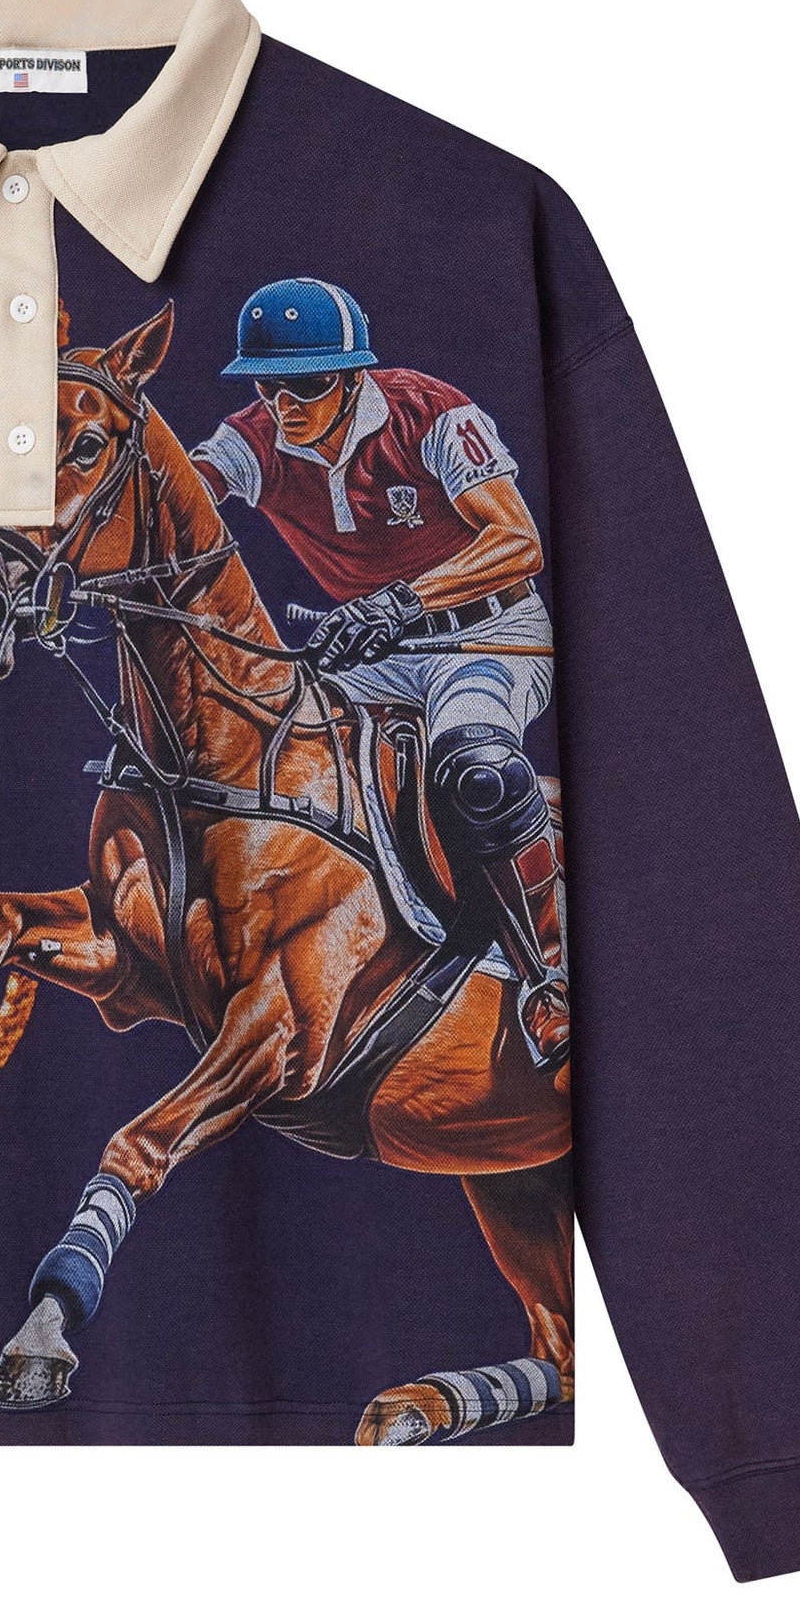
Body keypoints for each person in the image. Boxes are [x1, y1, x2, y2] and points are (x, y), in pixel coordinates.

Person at [191, 276, 568, 1063]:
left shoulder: (430, 412)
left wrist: (401, 601)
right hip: (374, 654)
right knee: (261, 758)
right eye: (268, 388)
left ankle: (546, 979)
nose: (285, 407)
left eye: (307, 386)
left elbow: (519, 541)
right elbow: (178, 496)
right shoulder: (254, 437)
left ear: (352, 376)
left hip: (483, 635)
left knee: (477, 768)